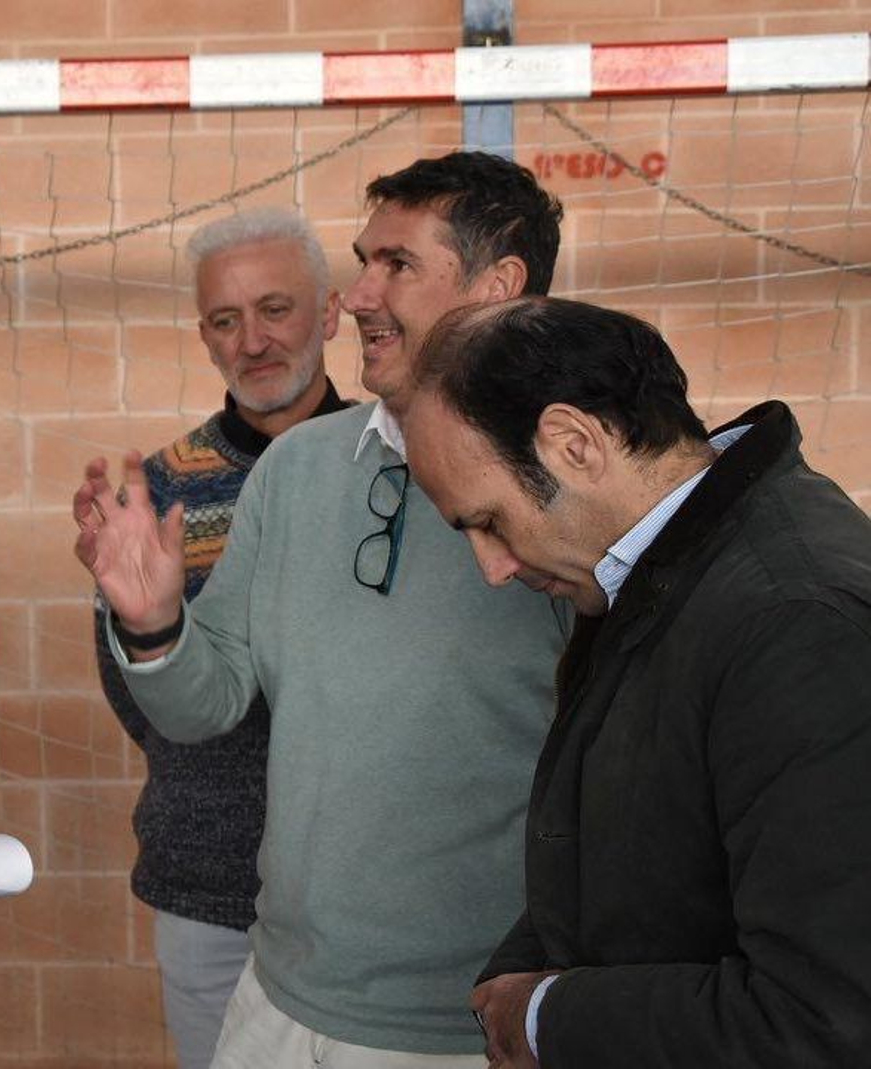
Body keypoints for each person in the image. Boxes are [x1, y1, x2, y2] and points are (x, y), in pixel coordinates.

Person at [73, 152, 568, 1067]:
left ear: (499, 286)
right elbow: (204, 701)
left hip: (460, 1023)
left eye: (397, 264)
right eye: (363, 261)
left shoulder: (573, 477)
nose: (363, 294)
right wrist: (153, 622)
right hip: (274, 998)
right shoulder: (297, 467)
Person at [404, 296, 871, 1069]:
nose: (492, 568)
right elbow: (628, 855)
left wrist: (547, 1017)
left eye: (489, 521)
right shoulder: (648, 566)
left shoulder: (799, 621)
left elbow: (827, 1019)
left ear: (575, 444)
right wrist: (517, 980)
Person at [94, 207, 352, 1069]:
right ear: (204, 336)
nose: (253, 340)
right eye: (225, 319)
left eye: (276, 308)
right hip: (209, 894)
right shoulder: (156, 492)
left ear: (330, 312)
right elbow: (139, 693)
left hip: (369, 896)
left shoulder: (402, 469)